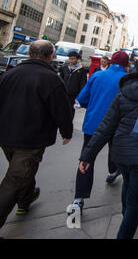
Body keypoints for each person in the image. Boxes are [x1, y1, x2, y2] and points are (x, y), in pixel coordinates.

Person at [79, 60, 138, 239]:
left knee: (128, 183)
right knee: (136, 201)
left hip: (121, 152)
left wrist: (88, 155)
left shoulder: (123, 93)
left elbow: (106, 126)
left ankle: (127, 218)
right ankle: (125, 230)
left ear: (136, 72)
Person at [0, 40, 72, 228]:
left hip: (6, 135)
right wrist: (66, 131)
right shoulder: (51, 78)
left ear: (30, 54)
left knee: (21, 170)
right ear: (50, 56)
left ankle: (25, 200)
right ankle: (23, 197)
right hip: (31, 139)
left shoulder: (9, 74)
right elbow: (61, 110)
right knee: (16, 178)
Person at [68, 51, 129, 215]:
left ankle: (78, 200)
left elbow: (81, 100)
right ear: (127, 65)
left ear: (111, 62)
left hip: (93, 125)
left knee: (87, 159)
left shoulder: (96, 76)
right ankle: (112, 172)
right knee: (114, 152)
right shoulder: (127, 81)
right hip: (117, 126)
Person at [59, 51, 87, 119]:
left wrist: (80, 97)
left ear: (77, 59)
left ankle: (68, 125)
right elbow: (60, 79)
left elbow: (82, 84)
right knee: (60, 110)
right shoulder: (65, 68)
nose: (71, 60)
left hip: (73, 96)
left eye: (73, 58)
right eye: (70, 58)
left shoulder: (82, 70)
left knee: (70, 112)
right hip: (63, 94)